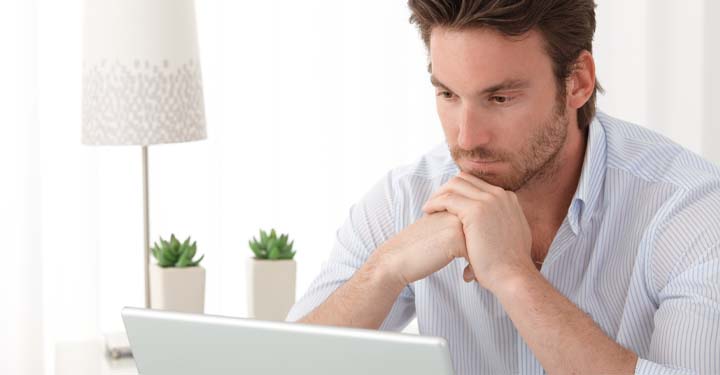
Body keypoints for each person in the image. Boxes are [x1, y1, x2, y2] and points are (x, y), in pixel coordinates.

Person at [286, 1, 720, 374]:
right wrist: (384, 271)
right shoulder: (405, 198)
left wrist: (513, 276)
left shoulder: (691, 211)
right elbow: (279, 364)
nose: (467, 138)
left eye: (500, 99)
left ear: (578, 82)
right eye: (448, 95)